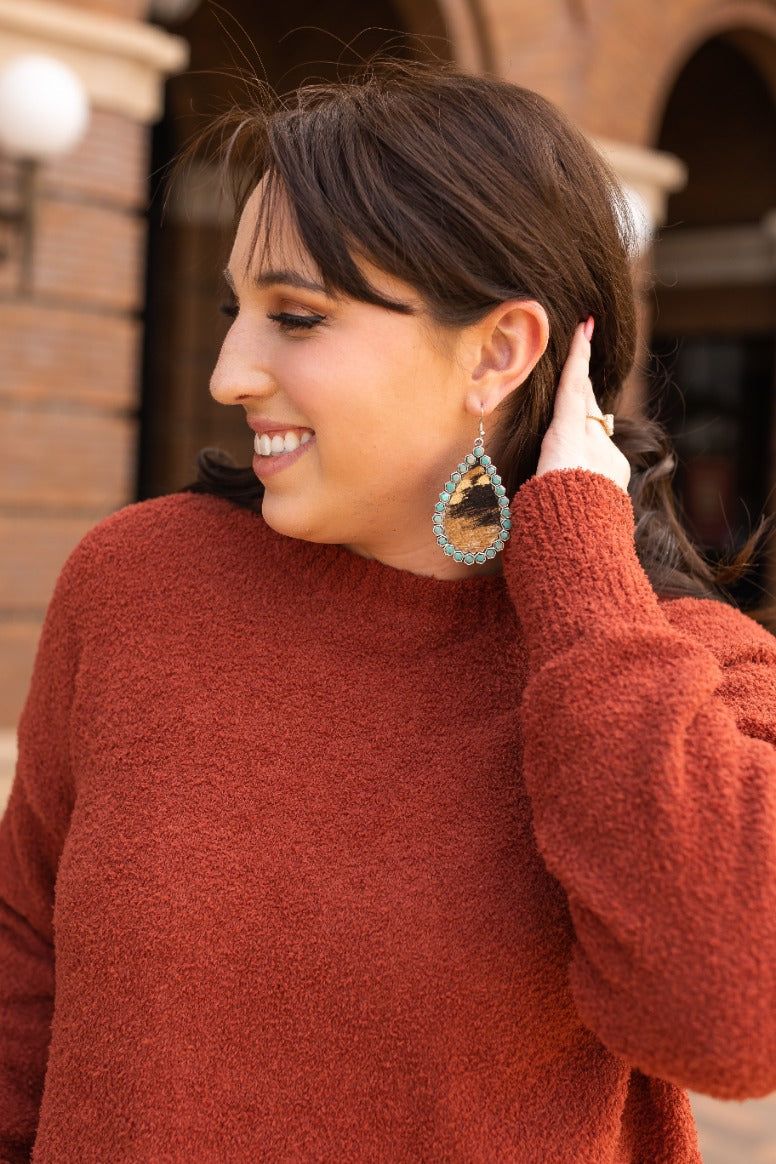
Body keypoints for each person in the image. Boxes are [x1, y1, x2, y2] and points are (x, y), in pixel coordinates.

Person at [1, 59, 775, 1164]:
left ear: (499, 353)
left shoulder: (681, 672)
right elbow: (23, 961)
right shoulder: (137, 584)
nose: (229, 372)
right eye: (236, 311)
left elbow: (733, 1021)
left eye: (296, 318)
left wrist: (576, 576)